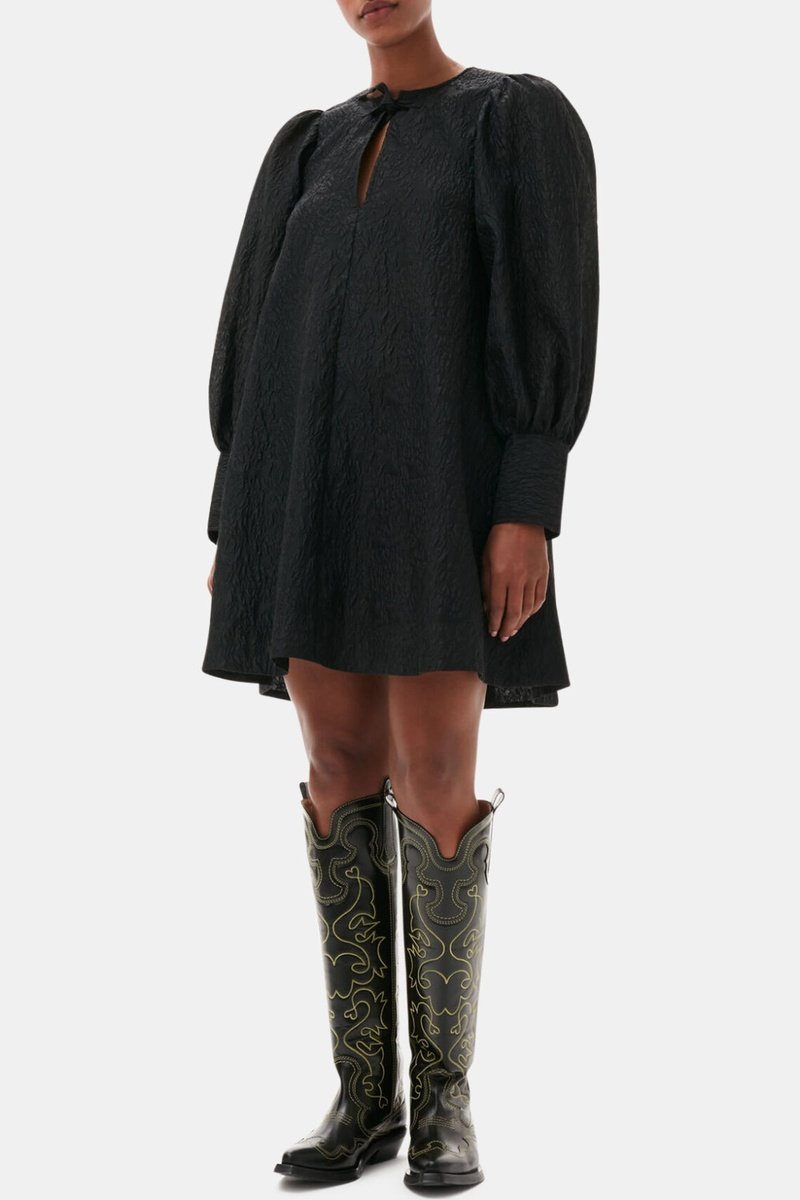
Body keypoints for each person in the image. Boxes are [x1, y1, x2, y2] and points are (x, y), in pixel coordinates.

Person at [201, 0, 599, 1188]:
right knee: (336, 767)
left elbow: (545, 307)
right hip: (301, 493)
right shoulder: (306, 144)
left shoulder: (509, 120)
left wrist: (525, 503)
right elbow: (254, 337)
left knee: (434, 771)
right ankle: (364, 1095)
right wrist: (236, 515)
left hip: (437, 495)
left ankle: (445, 1102)